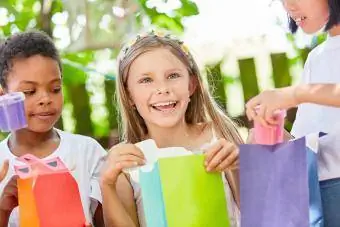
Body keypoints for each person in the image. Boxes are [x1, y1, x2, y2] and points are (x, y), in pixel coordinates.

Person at [100, 31, 243, 227]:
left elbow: (260, 212)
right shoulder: (127, 163)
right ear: (129, 95)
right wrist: (107, 185)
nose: (162, 88)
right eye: (146, 80)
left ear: (192, 85)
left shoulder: (218, 135)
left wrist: (237, 167)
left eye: (173, 76)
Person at [245, 0, 340, 225]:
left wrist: (296, 94)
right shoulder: (317, 58)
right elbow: (308, 144)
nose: (289, 6)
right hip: (323, 202)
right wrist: (269, 136)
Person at [0, 30, 106, 227]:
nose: (46, 99)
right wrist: (3, 210)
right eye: (29, 92)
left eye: (55, 88)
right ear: (3, 95)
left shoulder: (86, 152)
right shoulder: (2, 165)